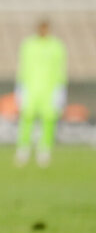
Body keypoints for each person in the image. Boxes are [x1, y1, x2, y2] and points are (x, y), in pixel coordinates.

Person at [14, 20, 67, 167]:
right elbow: (22, 66)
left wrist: (60, 88)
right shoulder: (28, 44)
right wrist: (20, 86)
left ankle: (44, 150)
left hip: (49, 89)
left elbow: (60, 68)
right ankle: (23, 149)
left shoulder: (56, 45)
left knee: (49, 120)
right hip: (30, 88)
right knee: (27, 118)